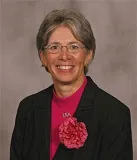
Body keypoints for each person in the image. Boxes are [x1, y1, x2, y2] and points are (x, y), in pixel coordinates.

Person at [10, 9, 133, 160]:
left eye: (74, 47)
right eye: (54, 47)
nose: (64, 56)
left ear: (88, 55)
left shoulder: (114, 114)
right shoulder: (28, 109)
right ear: (43, 57)